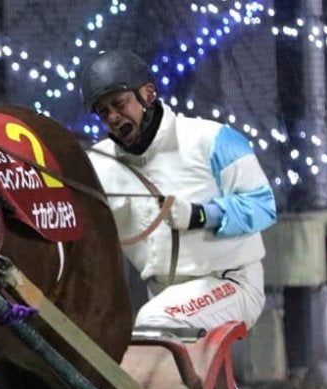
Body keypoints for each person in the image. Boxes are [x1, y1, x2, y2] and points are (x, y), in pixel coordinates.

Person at [82, 49, 277, 331]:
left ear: (148, 94)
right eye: (103, 112)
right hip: (165, 297)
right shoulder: (97, 165)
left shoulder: (213, 138)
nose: (112, 117)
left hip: (230, 282)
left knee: (155, 323)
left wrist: (200, 215)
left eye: (119, 103)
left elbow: (263, 206)